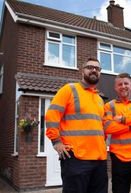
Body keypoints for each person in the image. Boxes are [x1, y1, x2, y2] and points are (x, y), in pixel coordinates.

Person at [45, 58, 108, 193]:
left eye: (97, 68)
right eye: (89, 67)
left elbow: (102, 127)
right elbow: (52, 114)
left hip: (100, 159)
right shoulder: (69, 90)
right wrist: (56, 142)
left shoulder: (99, 99)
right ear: (82, 71)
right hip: (76, 159)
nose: (94, 70)